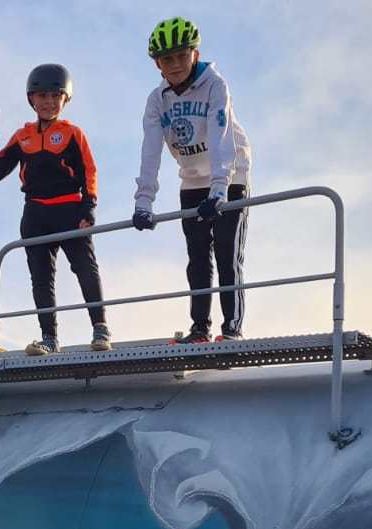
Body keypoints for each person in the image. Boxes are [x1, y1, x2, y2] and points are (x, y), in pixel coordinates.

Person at [132, 17, 252, 343]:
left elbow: (220, 136)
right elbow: (150, 151)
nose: (175, 65)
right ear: (157, 63)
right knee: (197, 256)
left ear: (194, 54)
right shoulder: (157, 100)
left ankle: (232, 330)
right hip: (191, 180)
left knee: (227, 252)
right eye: (167, 59)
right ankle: (200, 328)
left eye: (181, 56)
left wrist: (219, 189)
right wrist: (143, 201)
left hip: (230, 175)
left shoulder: (215, 85)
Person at [0, 64, 112, 356]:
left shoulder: (72, 133)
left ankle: (100, 327)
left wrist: (88, 208)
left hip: (69, 209)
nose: (49, 102)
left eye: (55, 95)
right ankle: (49, 337)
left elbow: (89, 171)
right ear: (31, 99)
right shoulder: (22, 136)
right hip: (35, 214)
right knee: (41, 277)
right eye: (42, 96)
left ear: (65, 99)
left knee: (84, 268)